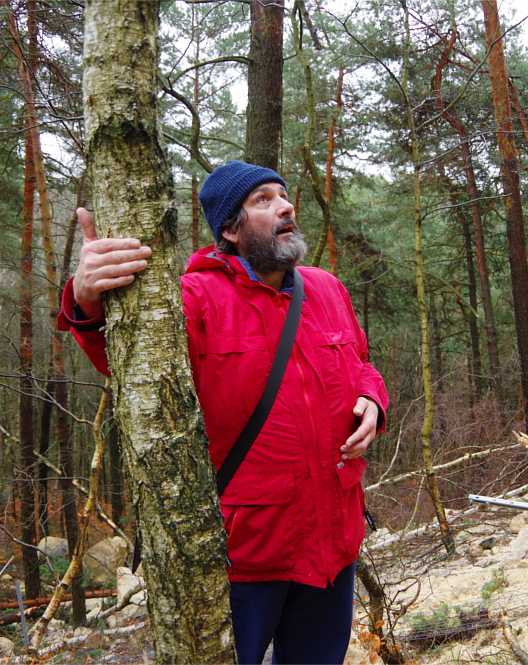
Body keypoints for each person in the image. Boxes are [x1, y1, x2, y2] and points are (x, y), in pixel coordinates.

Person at [57, 160, 389, 665]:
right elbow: (127, 364)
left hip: (334, 543)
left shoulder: (325, 288)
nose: (285, 206)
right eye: (263, 200)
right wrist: (86, 300)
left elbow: (362, 362)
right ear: (230, 230)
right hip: (247, 556)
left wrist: (372, 401)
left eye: (283, 195)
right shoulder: (191, 299)